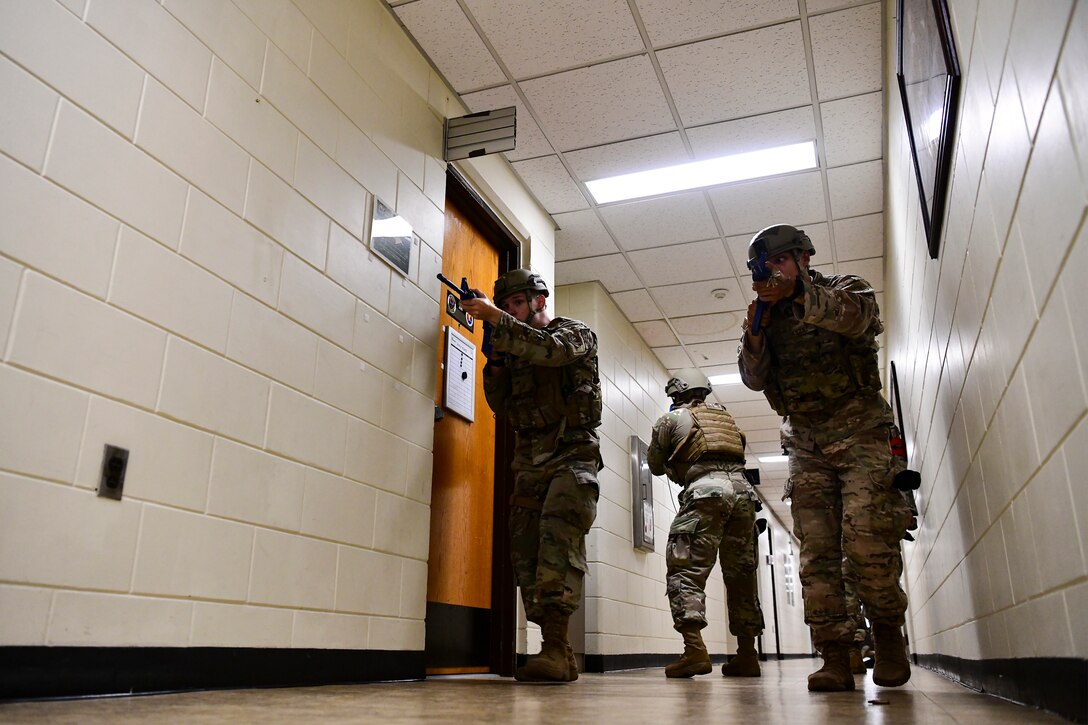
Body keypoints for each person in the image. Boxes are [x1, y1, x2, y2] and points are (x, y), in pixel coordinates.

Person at [737, 224, 913, 692]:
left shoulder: (845, 290)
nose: (771, 272)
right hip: (806, 442)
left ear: (802, 257)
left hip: (859, 431)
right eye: (764, 267)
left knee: (866, 538)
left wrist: (796, 296)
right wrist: (755, 333)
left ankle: (889, 636)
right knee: (816, 555)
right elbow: (755, 380)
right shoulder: (766, 316)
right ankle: (836, 653)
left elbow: (856, 319)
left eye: (778, 262)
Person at [460, 268, 602, 684]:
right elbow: (499, 404)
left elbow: (553, 352)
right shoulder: (515, 347)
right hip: (529, 463)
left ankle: (555, 649)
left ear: (539, 301)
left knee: (558, 540)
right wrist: (498, 358)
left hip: (572, 456)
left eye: (516, 304)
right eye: (504, 306)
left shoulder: (574, 333)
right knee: (525, 551)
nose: (510, 312)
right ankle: (558, 649)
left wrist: (495, 320)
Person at [647, 368, 765, 678]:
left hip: (705, 491)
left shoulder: (671, 419)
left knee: (686, 568)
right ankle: (747, 654)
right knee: (741, 575)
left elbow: (656, 465)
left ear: (678, 394)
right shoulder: (727, 419)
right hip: (743, 494)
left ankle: (695, 650)